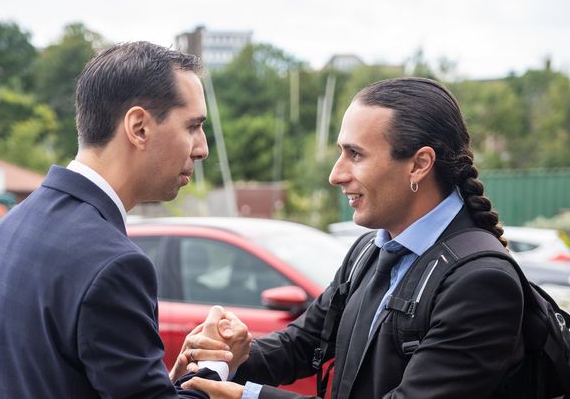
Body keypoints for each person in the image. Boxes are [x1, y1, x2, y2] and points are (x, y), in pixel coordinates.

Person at [183, 77, 525, 398]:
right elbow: (303, 343)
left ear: (420, 164)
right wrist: (224, 353)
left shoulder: (482, 282)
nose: (336, 174)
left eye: (355, 154)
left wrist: (249, 396)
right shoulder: (370, 250)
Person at [0, 41, 250, 398]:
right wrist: (217, 366)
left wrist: (176, 378)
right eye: (192, 126)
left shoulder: (11, 226)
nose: (202, 148)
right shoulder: (114, 264)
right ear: (138, 127)